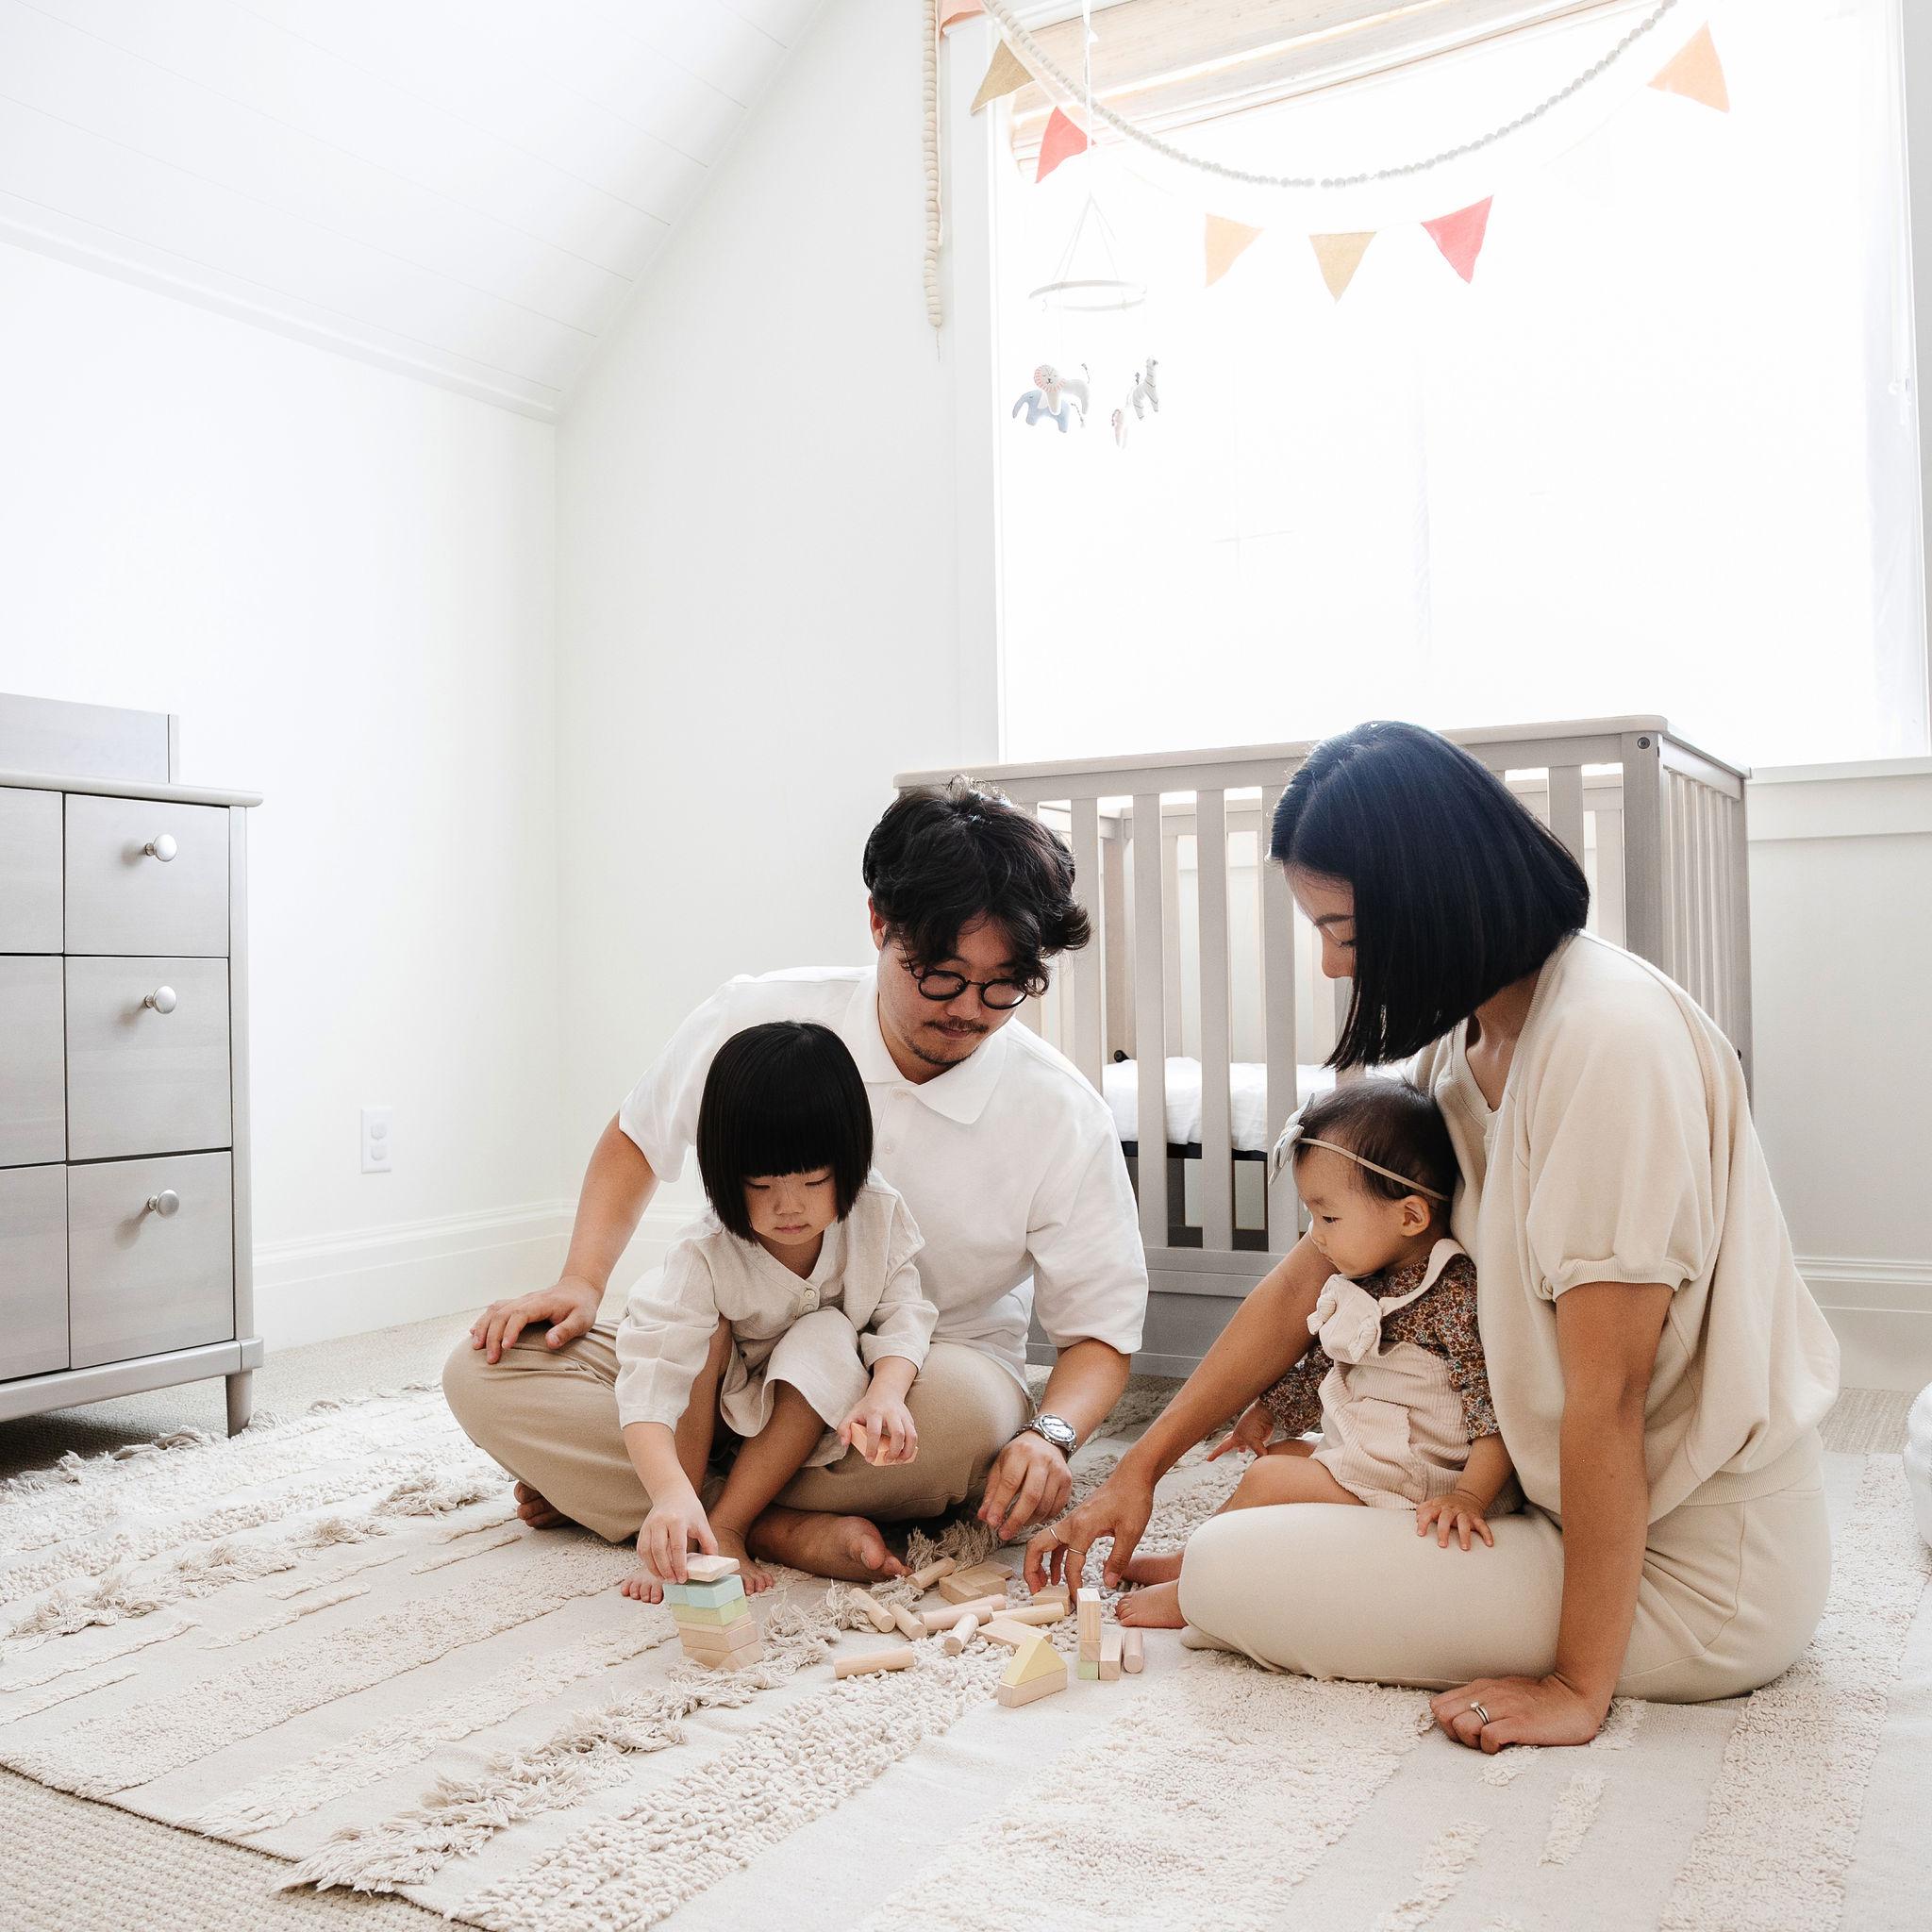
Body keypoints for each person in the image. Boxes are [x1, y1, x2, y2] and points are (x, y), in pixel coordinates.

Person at [1029, 720, 1839, 1753]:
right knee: (1242, 1525)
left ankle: (1581, 1648)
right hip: (1552, 1508)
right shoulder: (1464, 1046)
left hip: (1695, 1563)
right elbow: (1309, 1275)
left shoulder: (1605, 1043)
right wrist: (1136, 1467)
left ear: (1443, 900)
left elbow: (1610, 1393)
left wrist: (1574, 1684)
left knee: (1228, 1572)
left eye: (1349, 934)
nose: (1330, 966)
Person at [444, 780, 1148, 1583]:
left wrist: (1049, 1436)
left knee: (962, 1428)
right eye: (943, 977)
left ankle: (664, 1497)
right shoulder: (762, 1017)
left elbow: (1098, 1332)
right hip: (729, 1355)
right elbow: (637, 1138)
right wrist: (580, 1280)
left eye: (1004, 988)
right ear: (880, 925)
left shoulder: (1059, 1111)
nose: (970, 1011)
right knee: (484, 1369)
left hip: (909, 1378)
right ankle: (761, 1520)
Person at [1116, 1076, 1513, 1629]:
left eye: (1328, 1219)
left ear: (1411, 1217)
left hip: (1424, 1477)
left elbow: (1491, 1411)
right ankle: (1193, 1561)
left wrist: (1470, 1496)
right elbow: (1329, 1361)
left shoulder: (1452, 1294)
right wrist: (1271, 1414)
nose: (1316, 1238)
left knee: (1268, 1483)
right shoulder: (1370, 1278)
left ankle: (1197, 1592)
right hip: (1377, 1456)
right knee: (1280, 1460)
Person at [615, 1022, 936, 1600]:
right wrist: (666, 1492)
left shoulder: (877, 1214)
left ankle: (731, 1522)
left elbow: (904, 1314)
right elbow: (653, 1382)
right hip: (707, 1413)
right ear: (721, 1178)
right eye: (759, 1185)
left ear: (850, 1163)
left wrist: (886, 1392)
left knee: (828, 1330)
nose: (788, 1207)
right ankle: (685, 1520)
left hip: (806, 1425)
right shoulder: (704, 1255)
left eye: (814, 1180)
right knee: (693, 1342)